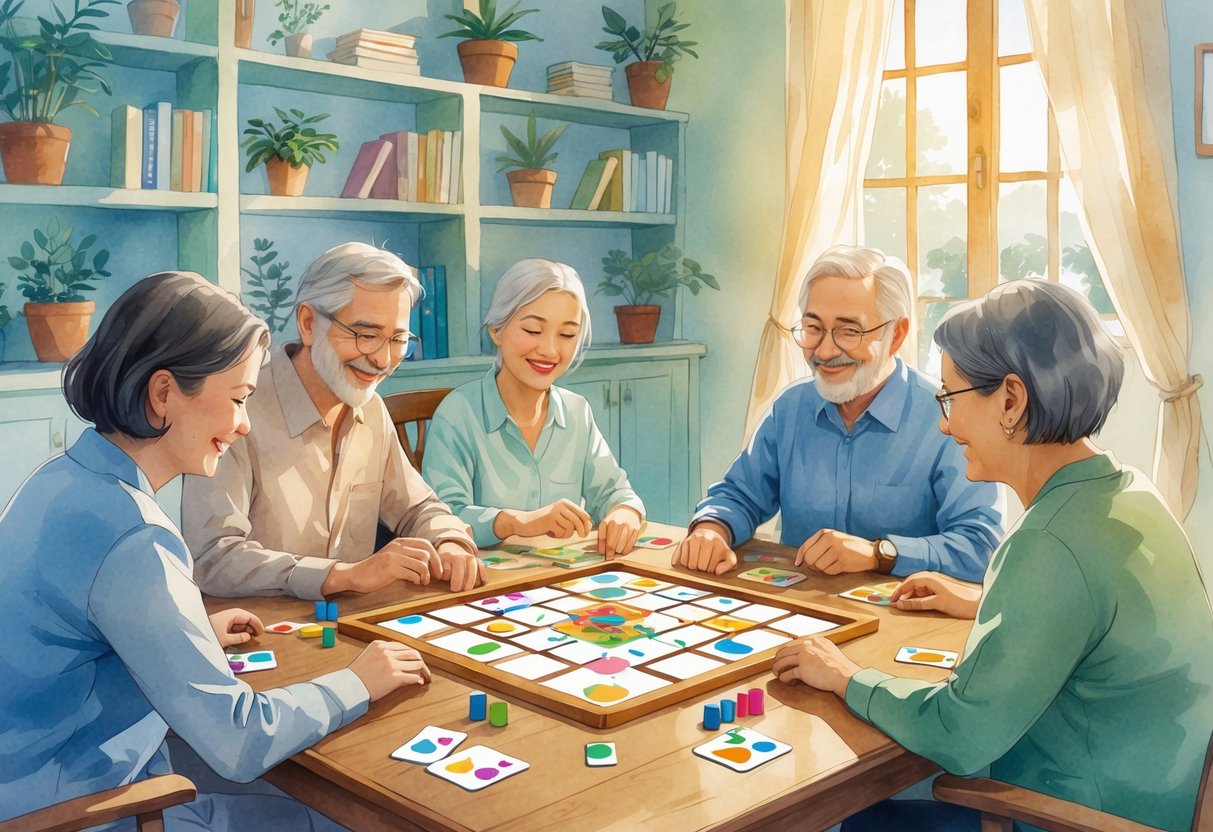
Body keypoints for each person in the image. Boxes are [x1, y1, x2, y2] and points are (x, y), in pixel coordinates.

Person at [773, 279, 1213, 832]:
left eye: (950, 398)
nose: (943, 424)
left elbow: (959, 734)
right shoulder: (1127, 492)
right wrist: (986, 600)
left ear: (1011, 398)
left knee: (846, 821)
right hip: (1158, 800)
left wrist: (844, 676)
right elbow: (1093, 612)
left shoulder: (1048, 544)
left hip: (1074, 818)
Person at [0, 272, 430, 831]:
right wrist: (358, 680)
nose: (245, 424)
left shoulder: (63, 480)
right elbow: (239, 739)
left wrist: (188, 631)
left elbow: (83, 635)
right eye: (237, 398)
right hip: (84, 809)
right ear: (163, 394)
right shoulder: (136, 538)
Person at [673, 245, 1004, 581]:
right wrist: (713, 530)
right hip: (800, 611)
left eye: (849, 331)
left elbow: (982, 548)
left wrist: (879, 554)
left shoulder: (946, 416)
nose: (826, 351)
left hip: (907, 618)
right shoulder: (790, 408)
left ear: (896, 334)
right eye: (814, 328)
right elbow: (739, 495)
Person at [183, 242, 484, 599]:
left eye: (399, 339)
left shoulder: (370, 408)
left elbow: (417, 507)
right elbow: (214, 558)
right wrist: (343, 576)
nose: (383, 360)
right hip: (259, 631)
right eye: (366, 336)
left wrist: (449, 540)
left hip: (351, 629)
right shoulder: (239, 408)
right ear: (308, 323)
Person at [422, 258, 645, 557]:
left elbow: (615, 491)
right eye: (532, 330)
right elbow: (441, 519)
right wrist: (516, 522)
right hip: (481, 583)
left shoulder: (578, 412)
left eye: (566, 335)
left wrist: (624, 513)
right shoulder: (458, 414)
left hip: (560, 581)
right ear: (496, 331)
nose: (550, 350)